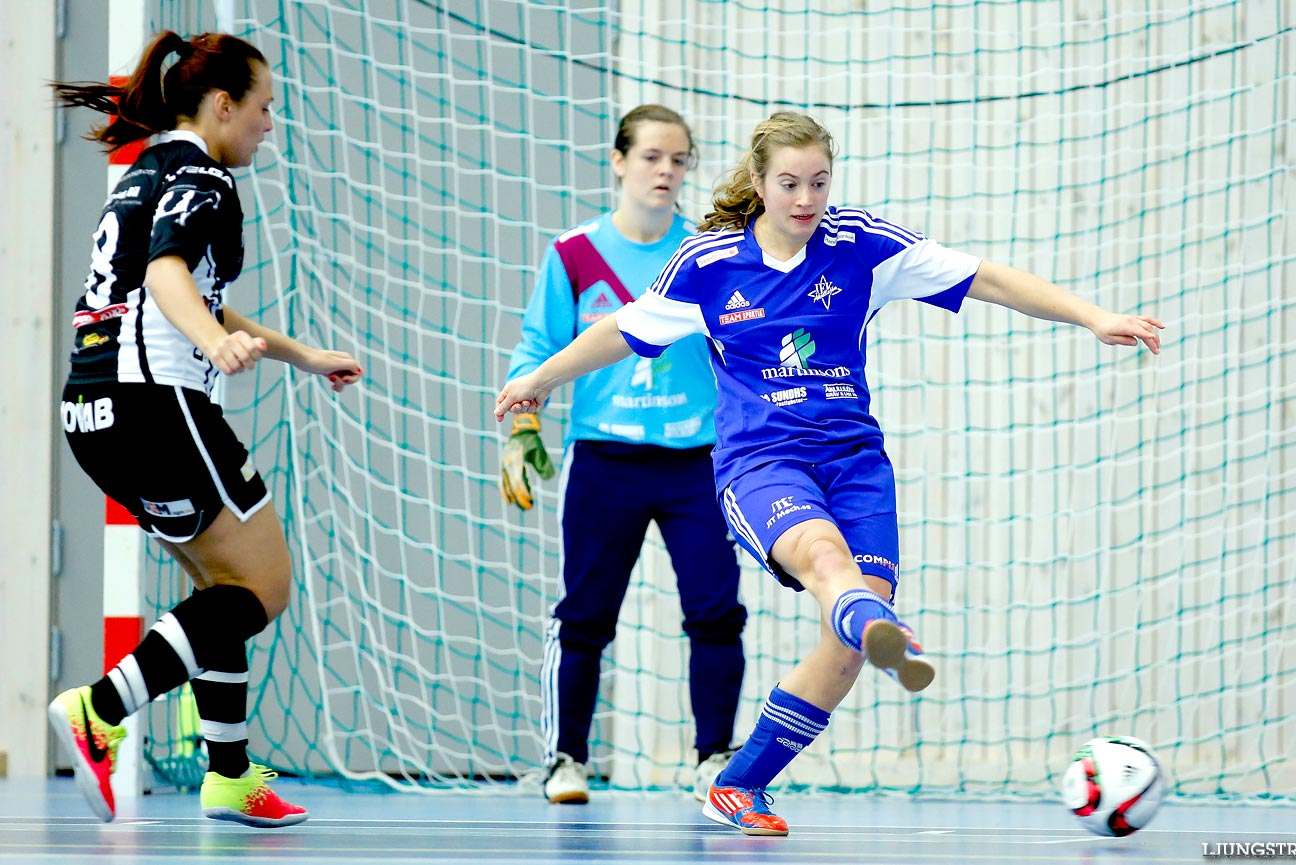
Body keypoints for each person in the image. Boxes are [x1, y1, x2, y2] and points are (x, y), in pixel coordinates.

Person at [495, 111, 1165, 835]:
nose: (805, 199)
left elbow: (986, 278)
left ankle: (741, 780)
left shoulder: (861, 246)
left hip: (855, 462)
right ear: (759, 183)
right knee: (824, 558)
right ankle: (875, 620)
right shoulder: (709, 263)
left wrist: (1092, 315)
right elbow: (621, 330)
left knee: (843, 648)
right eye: (789, 184)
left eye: (819, 182)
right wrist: (539, 380)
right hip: (761, 463)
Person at [48, 31, 362, 827]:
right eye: (262, 109)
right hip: (158, 404)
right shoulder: (204, 176)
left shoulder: (149, 170)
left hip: (95, 409)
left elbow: (189, 286)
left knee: (217, 588)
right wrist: (215, 344)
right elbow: (167, 275)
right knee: (264, 585)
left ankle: (228, 773)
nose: (268, 125)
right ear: (222, 104)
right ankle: (102, 707)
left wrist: (299, 353)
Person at [501, 105, 747, 804]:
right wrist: (521, 431)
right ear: (618, 161)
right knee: (585, 613)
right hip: (604, 461)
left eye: (679, 159)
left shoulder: (708, 250)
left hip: (696, 462)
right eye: (651, 157)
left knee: (715, 609)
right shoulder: (574, 254)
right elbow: (538, 351)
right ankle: (566, 760)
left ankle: (713, 760)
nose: (666, 170)